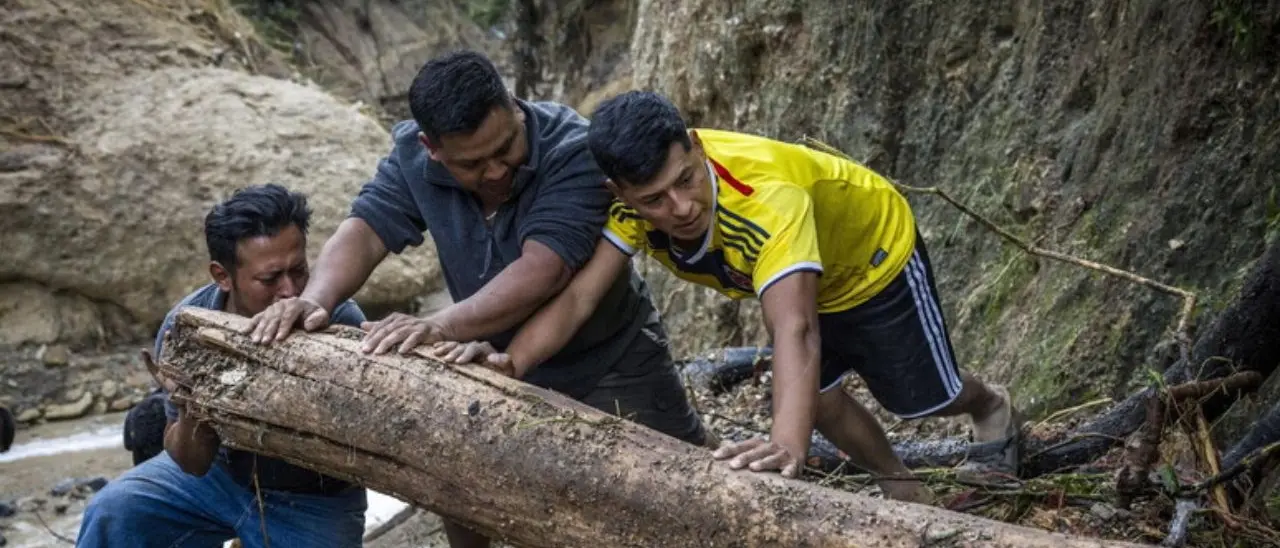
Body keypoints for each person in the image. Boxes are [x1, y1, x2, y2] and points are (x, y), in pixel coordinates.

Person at [244, 50, 710, 547]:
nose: (494, 171)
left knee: (683, 495)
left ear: (512, 104)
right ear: (432, 148)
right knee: (458, 484)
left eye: (505, 148)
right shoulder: (411, 155)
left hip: (611, 359)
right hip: (488, 359)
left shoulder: (574, 149)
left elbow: (545, 269)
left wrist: (441, 325)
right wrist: (317, 300)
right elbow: (367, 228)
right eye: (472, 163)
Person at [474, 90, 1025, 503]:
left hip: (869, 258)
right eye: (655, 199)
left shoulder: (766, 198)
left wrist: (786, 445)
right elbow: (578, 299)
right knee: (824, 400)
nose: (681, 207)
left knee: (921, 399)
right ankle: (900, 485)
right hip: (799, 279)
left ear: (693, 145)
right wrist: (512, 361)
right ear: (618, 194)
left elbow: (795, 329)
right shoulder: (626, 208)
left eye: (686, 179)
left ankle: (990, 404)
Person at [77, 184, 369, 547]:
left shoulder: (339, 317)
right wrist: (192, 404)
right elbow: (192, 463)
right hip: (217, 479)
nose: (290, 291)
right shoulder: (187, 326)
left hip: (314, 499)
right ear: (222, 275)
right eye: (269, 278)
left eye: (299, 270)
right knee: (113, 511)